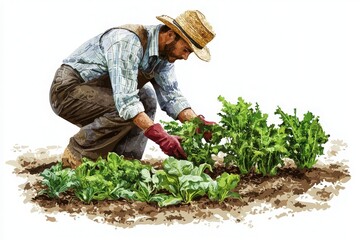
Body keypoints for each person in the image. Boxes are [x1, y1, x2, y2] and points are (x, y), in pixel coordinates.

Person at [49, 10, 216, 169]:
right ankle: (75, 156)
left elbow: (171, 96)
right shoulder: (128, 41)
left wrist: (197, 124)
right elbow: (126, 102)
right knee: (126, 109)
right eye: (186, 50)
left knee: (147, 97)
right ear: (171, 35)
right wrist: (161, 137)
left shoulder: (164, 56)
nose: (186, 57)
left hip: (101, 93)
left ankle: (124, 164)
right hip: (67, 91)